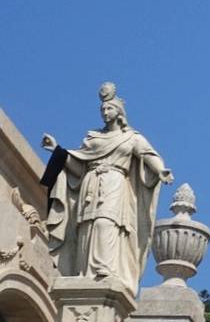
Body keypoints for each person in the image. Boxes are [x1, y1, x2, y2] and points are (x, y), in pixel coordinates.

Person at [41, 81, 171, 287]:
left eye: (109, 108)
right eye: (102, 109)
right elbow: (78, 168)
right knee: (86, 226)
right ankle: (85, 271)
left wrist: (160, 170)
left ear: (119, 112)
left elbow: (148, 155)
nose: (104, 112)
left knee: (105, 222)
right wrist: (57, 151)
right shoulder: (93, 138)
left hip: (114, 182)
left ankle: (106, 267)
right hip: (90, 183)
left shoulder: (131, 138)